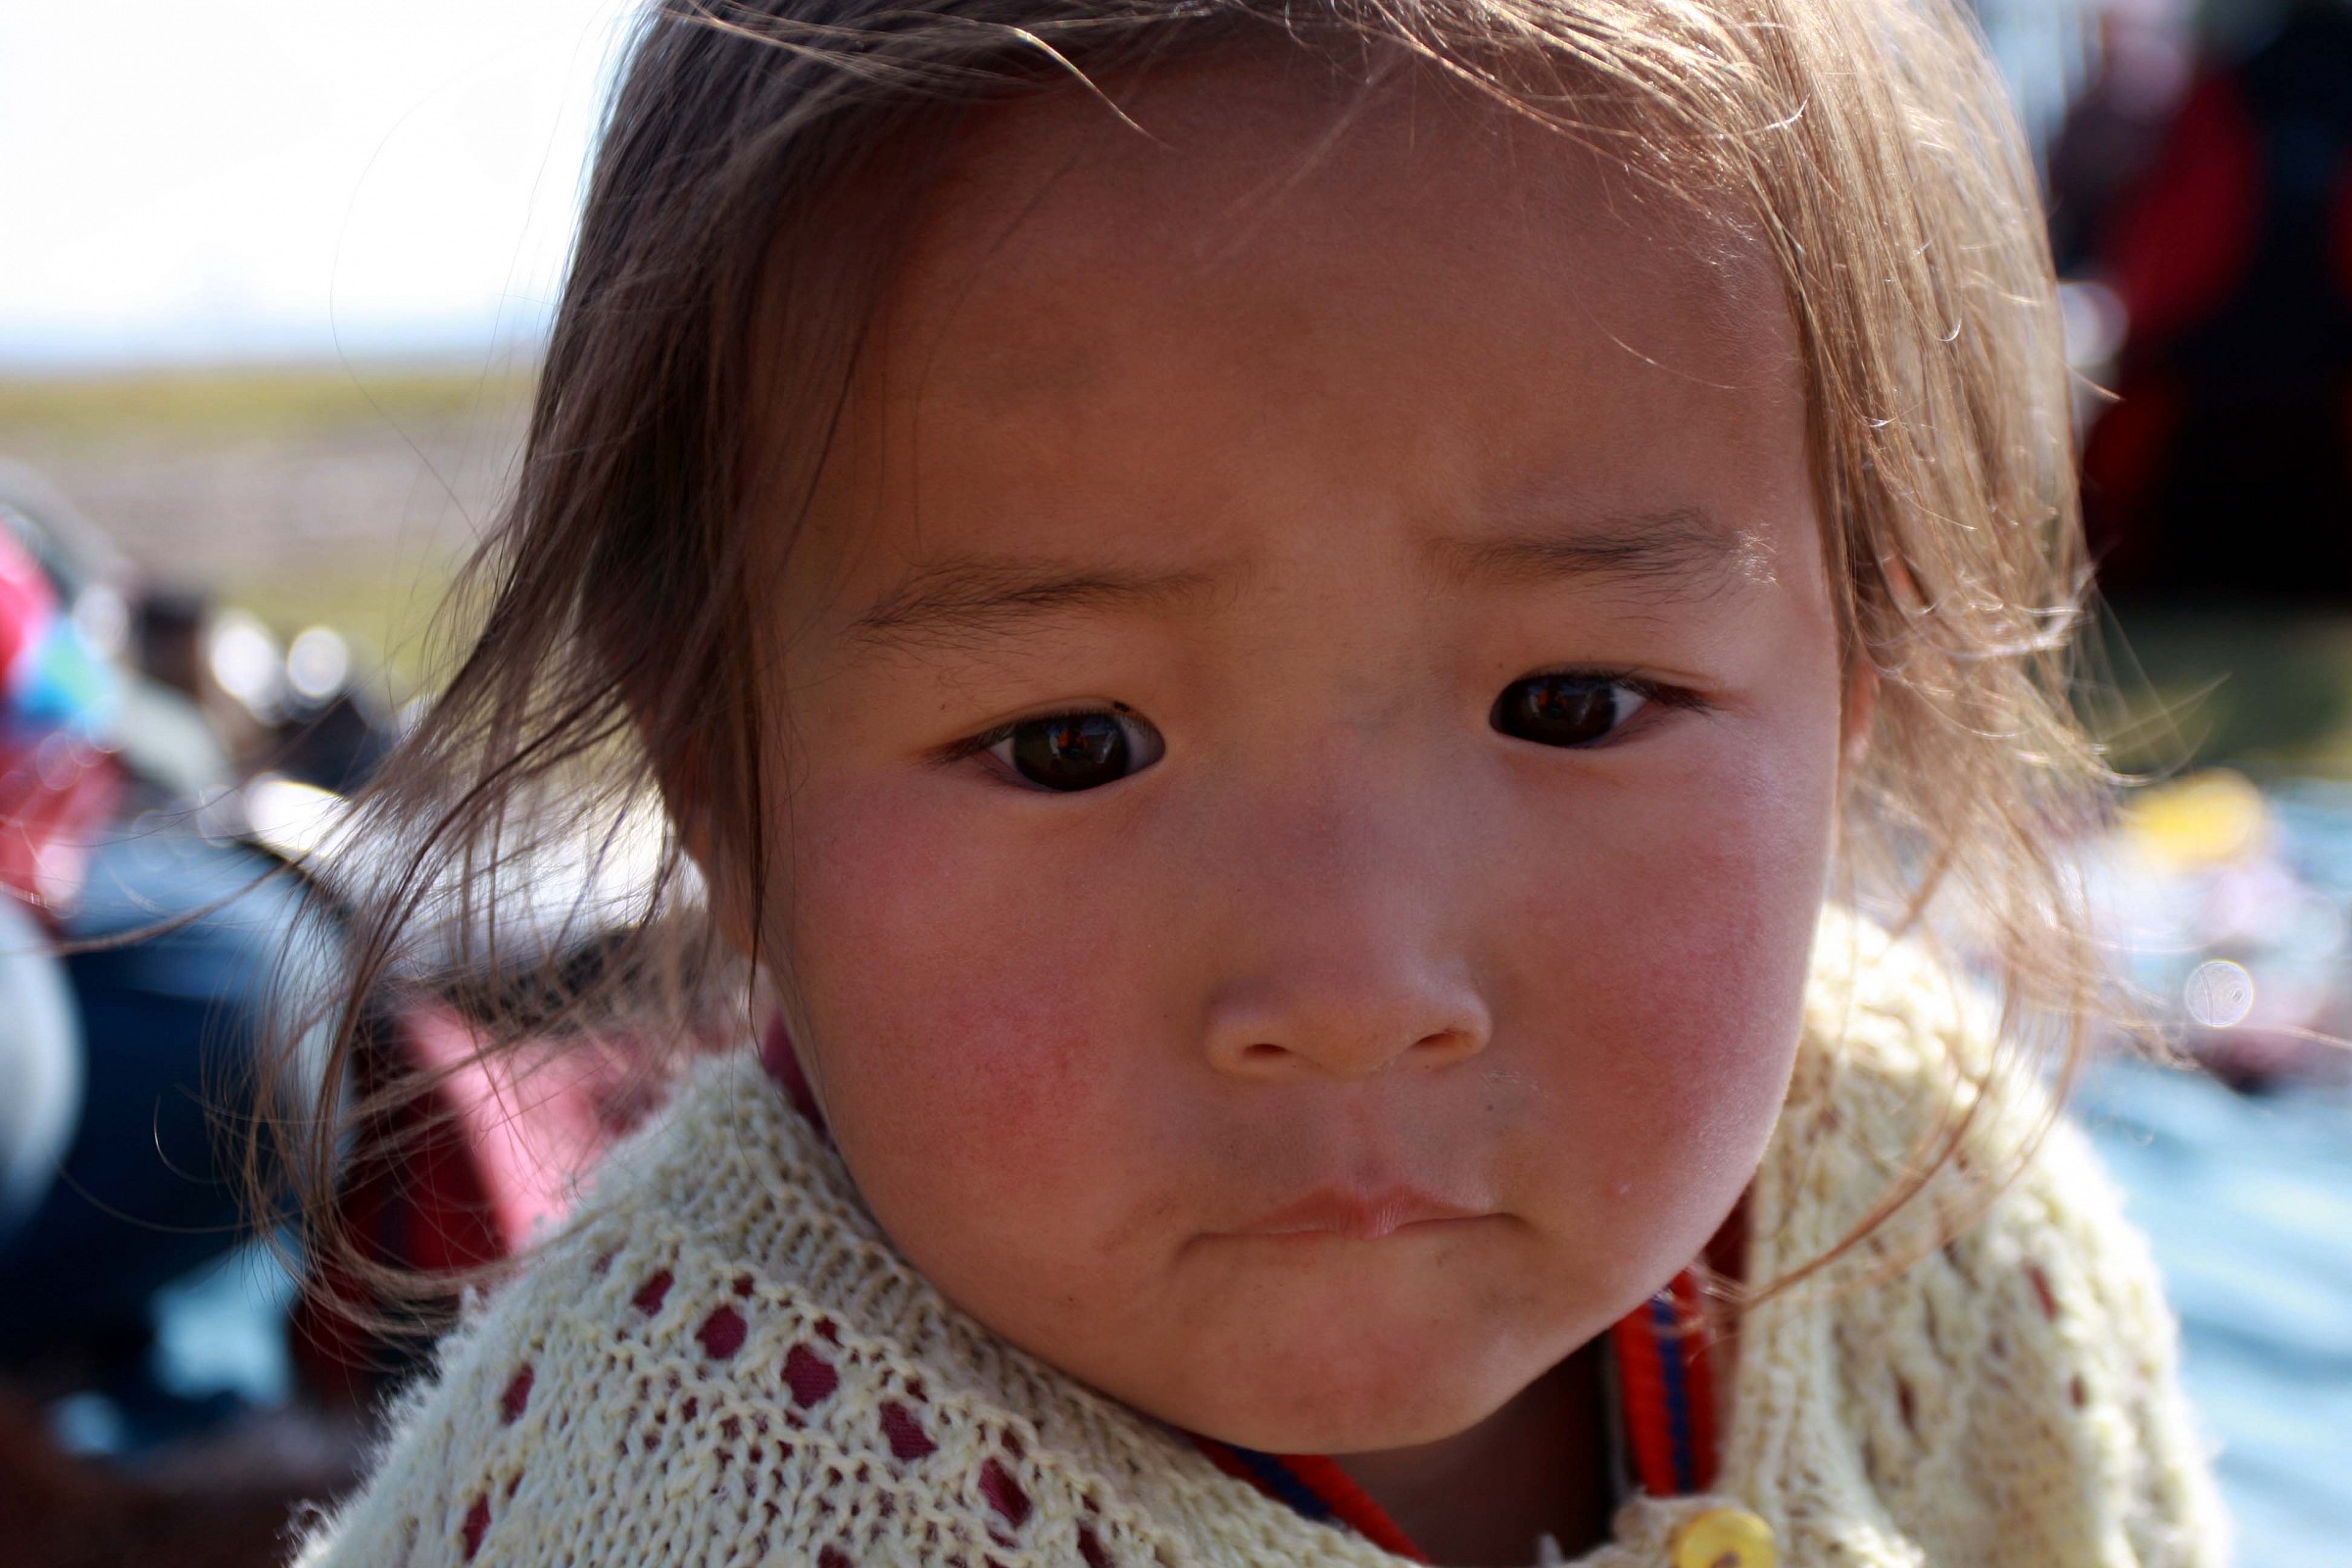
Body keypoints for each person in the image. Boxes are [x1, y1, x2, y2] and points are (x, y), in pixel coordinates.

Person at [286, 0, 2227, 1563]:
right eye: (1073, 748)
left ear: (1856, 683)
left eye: (1570, 704)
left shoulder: (1938, 1213)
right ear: (724, 783)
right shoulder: (676, 1491)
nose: (1354, 984)